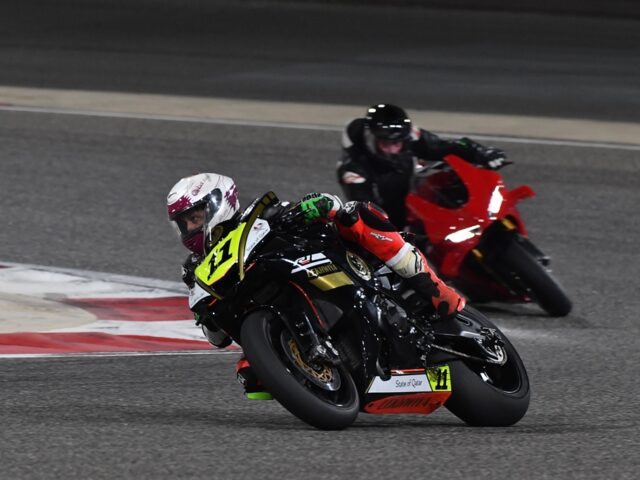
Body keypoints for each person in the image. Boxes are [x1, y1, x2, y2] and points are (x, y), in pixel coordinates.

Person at [167, 173, 466, 400]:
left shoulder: (258, 216)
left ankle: (435, 288)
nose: (191, 228)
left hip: (336, 264)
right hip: (274, 306)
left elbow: (324, 207)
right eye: (184, 223)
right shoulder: (197, 270)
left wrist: (318, 205)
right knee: (251, 374)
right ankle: (322, 368)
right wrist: (206, 316)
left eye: (195, 217)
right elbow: (218, 339)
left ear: (219, 203)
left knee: (354, 213)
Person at [337, 103, 508, 229]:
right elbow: (366, 210)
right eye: (386, 144)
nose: (393, 149)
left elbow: (445, 146)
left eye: (397, 143)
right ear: (372, 140)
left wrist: (482, 152)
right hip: (389, 213)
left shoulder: (410, 136)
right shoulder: (354, 171)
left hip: (418, 191)